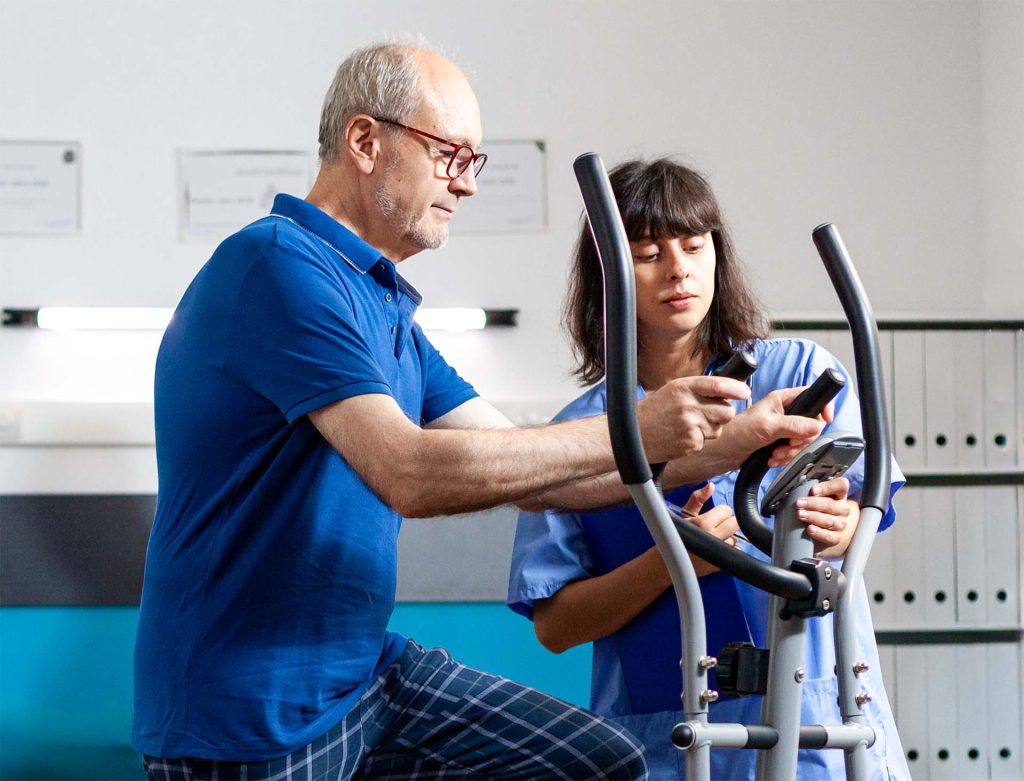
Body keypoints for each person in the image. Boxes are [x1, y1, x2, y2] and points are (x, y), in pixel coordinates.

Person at [132, 41, 827, 781]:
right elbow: (410, 472)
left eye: (475, 163)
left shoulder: (384, 306)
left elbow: (539, 472)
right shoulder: (278, 268)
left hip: (359, 680)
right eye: (449, 156)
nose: (465, 186)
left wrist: (727, 449)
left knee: (596, 763)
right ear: (365, 141)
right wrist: (644, 426)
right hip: (245, 713)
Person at [507, 158, 911, 780]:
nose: (679, 270)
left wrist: (843, 522)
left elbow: (864, 513)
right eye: (647, 254)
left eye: (695, 246)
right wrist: (673, 563)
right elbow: (557, 626)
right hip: (663, 738)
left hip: (816, 721)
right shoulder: (579, 435)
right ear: (608, 273)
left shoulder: (794, 372)